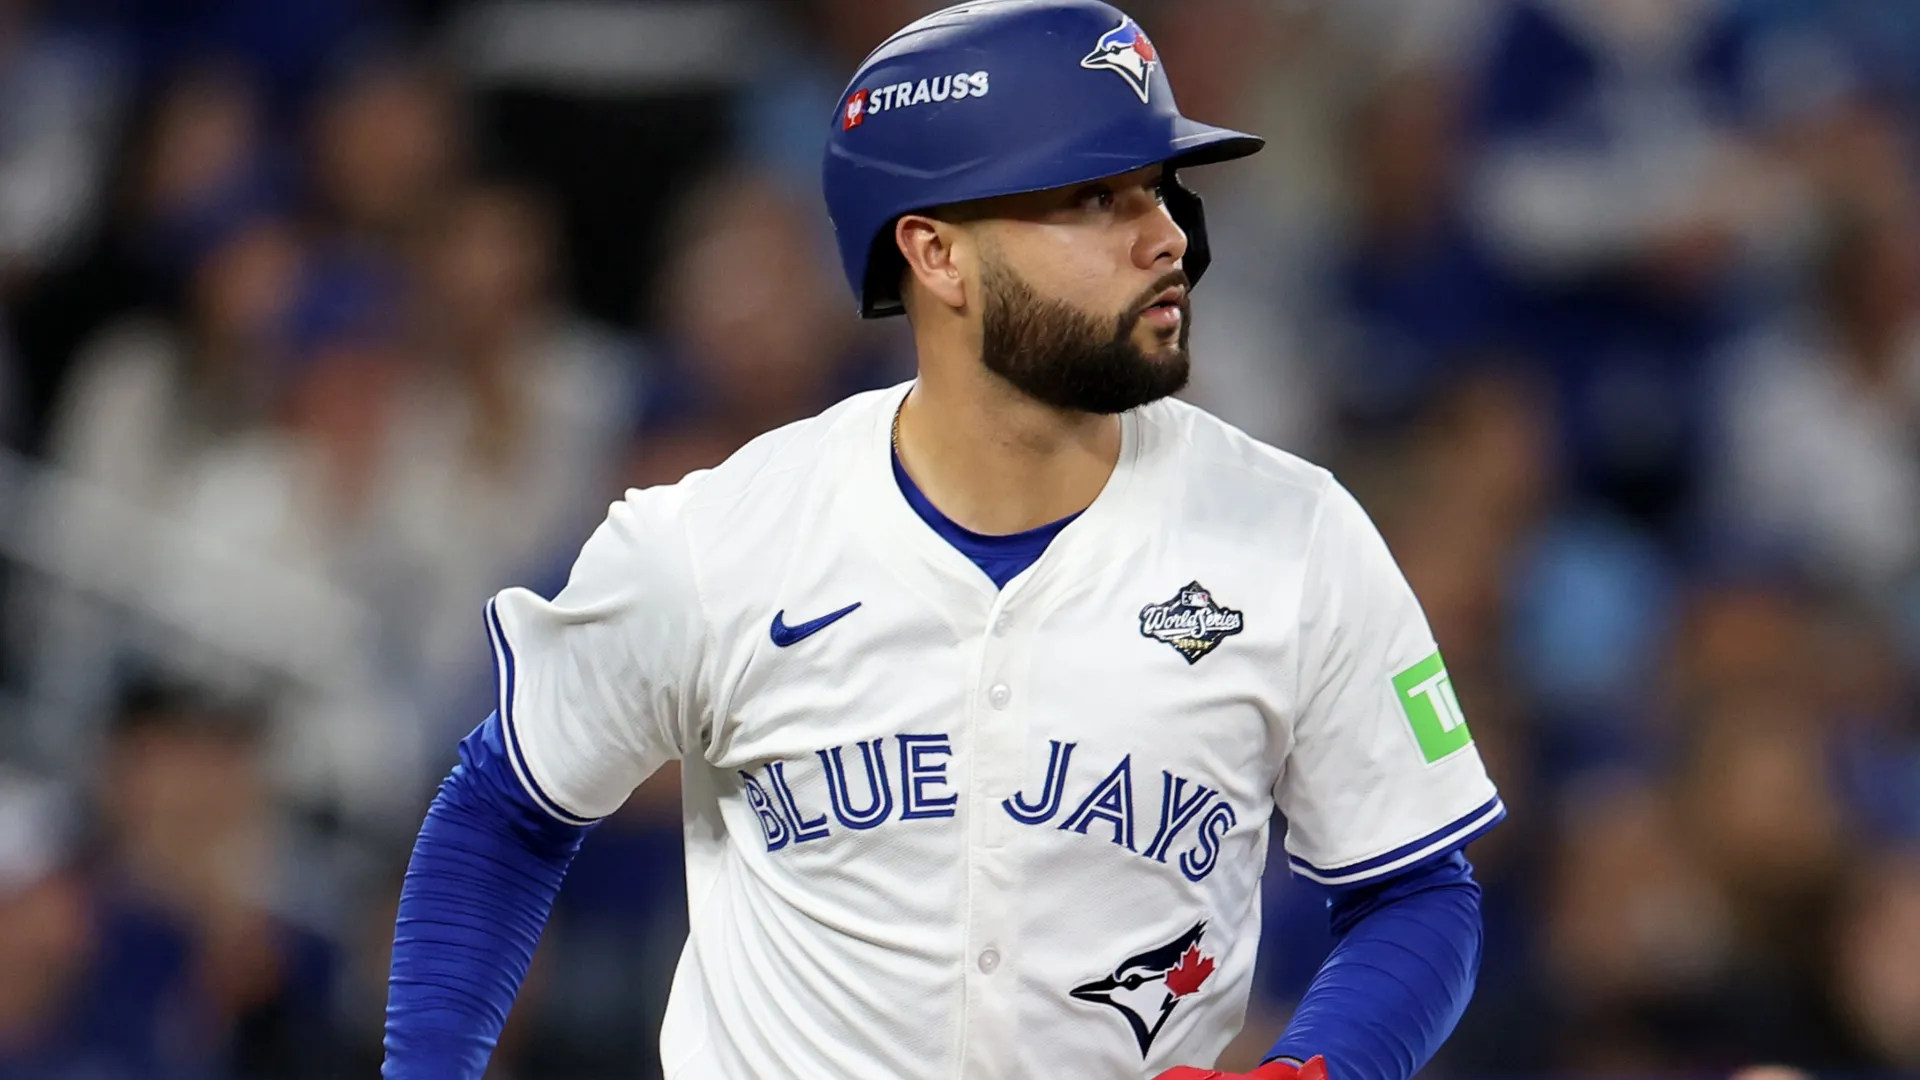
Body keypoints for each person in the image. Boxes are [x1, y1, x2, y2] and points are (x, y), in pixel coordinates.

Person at [381, 4, 1503, 1079]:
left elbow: (1416, 888)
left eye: (1160, 190)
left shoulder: (1294, 536)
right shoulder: (723, 538)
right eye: (1098, 197)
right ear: (937, 254)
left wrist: (1323, 1069)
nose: (1169, 237)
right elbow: (503, 808)